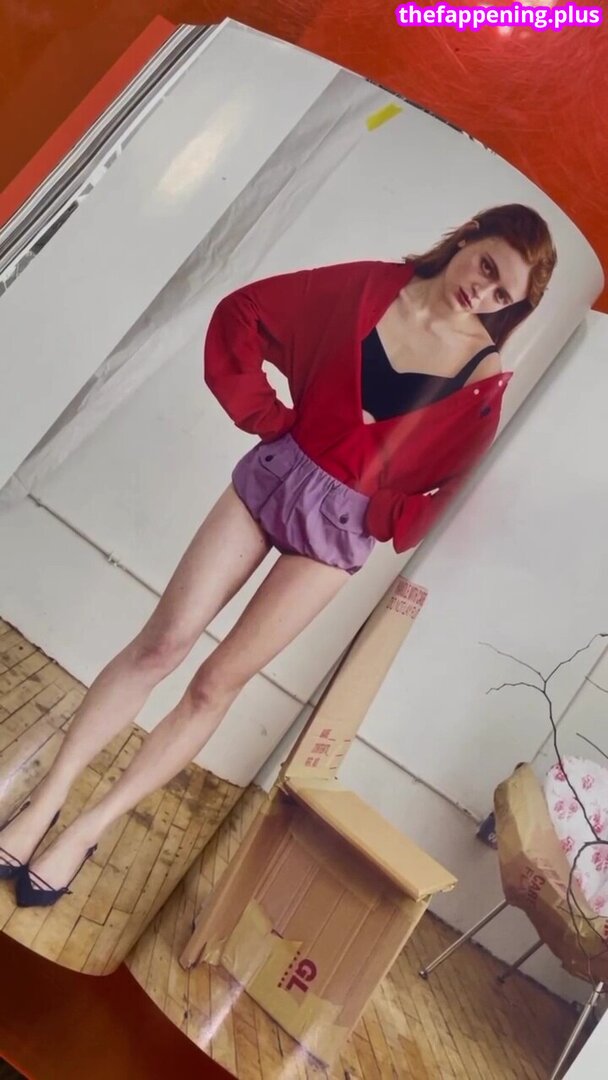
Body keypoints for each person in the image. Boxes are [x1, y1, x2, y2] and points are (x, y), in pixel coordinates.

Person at [0, 203, 556, 907]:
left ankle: (87, 829)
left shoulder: (484, 377)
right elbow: (246, 312)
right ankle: (47, 798)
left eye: (504, 295)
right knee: (161, 645)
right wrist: (269, 416)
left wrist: (384, 512)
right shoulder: (368, 285)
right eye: (486, 267)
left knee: (215, 684)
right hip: (275, 476)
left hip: (335, 536)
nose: (483, 292)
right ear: (469, 236)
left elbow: (458, 489)